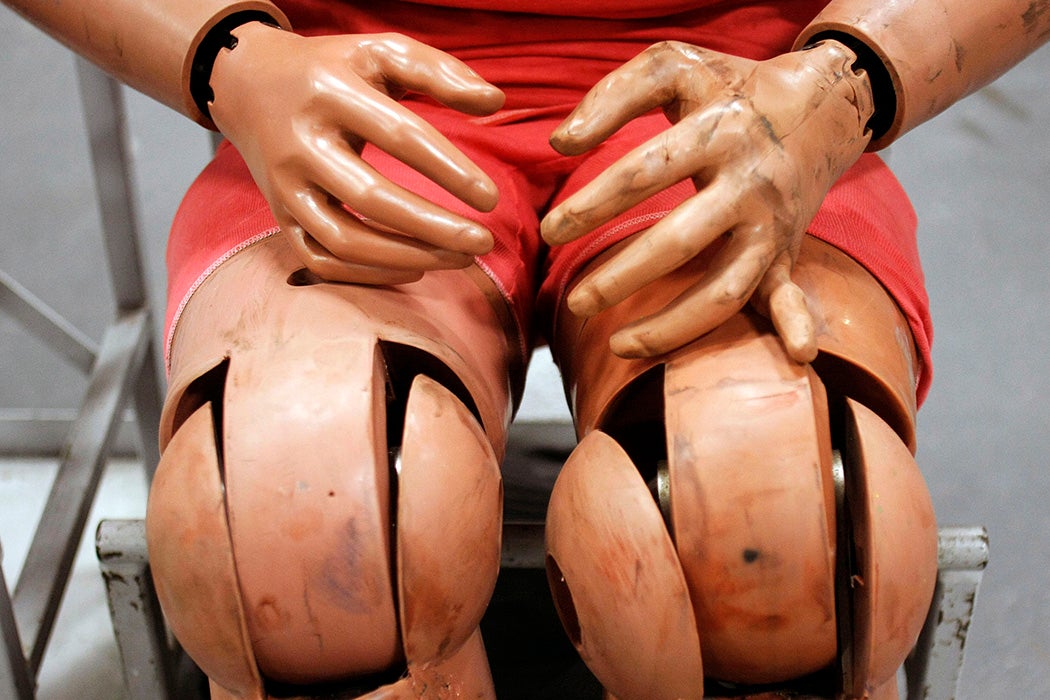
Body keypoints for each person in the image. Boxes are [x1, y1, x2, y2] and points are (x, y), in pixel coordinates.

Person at [4, 0, 1047, 697]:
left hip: (749, 83)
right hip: (355, 80)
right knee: (301, 514)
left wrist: (847, 83)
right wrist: (231, 54)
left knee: (767, 514)